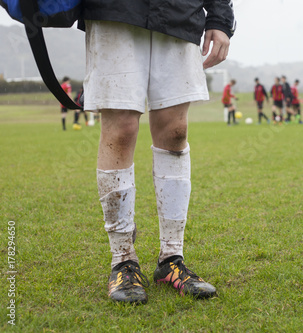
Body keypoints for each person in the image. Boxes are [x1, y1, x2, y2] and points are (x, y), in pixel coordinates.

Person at [82, 0, 235, 304]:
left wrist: (220, 16)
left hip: (180, 11)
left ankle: (171, 259)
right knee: (121, 129)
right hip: (114, 10)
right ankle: (123, 260)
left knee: (175, 131)